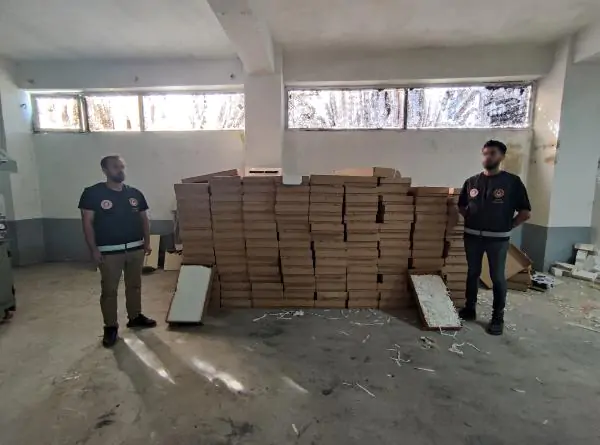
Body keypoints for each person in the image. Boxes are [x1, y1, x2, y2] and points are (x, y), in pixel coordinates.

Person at [79, 155, 156, 347]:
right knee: (109, 290)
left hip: (136, 249)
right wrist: (93, 249)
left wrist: (147, 242)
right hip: (109, 252)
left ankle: (135, 316)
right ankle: (111, 327)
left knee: (134, 285)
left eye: (122, 166)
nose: (120, 170)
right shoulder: (92, 194)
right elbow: (87, 223)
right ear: (104, 170)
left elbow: (144, 219)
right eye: (115, 167)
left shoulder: (135, 193)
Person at [457, 140, 531, 335]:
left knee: (497, 277)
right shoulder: (472, 181)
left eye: (492, 153)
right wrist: (470, 218)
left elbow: (525, 212)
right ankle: (469, 308)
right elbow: (461, 205)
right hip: (472, 237)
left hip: (497, 240)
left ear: (502, 157)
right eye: (485, 153)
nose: (488, 157)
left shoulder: (512, 182)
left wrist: (508, 225)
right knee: (472, 273)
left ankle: (497, 318)